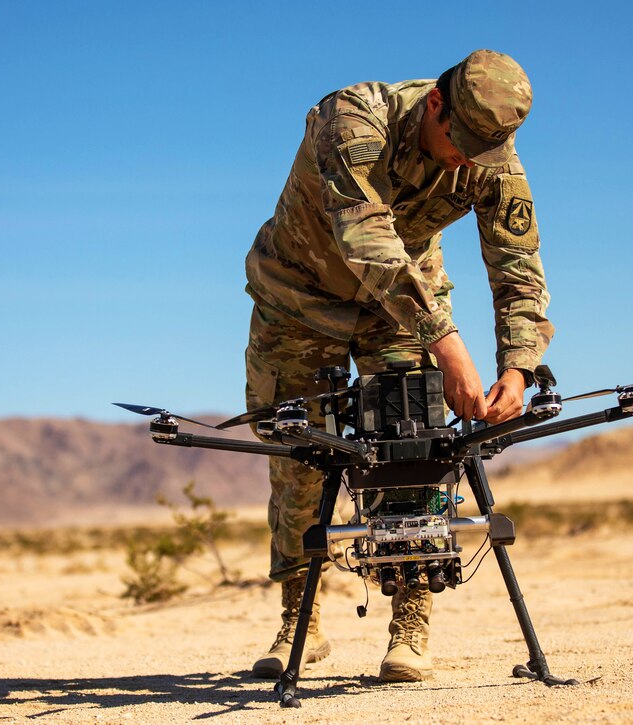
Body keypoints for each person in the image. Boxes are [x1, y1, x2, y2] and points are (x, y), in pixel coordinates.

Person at [242, 49, 554, 682]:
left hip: (403, 309)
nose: (465, 159)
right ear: (435, 103)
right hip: (300, 298)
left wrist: (518, 368)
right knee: (299, 455)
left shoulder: (492, 156)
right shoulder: (353, 118)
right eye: (458, 141)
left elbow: (518, 268)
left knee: (416, 446)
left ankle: (410, 621)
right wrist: (449, 342)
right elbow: (367, 239)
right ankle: (299, 619)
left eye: (481, 150)